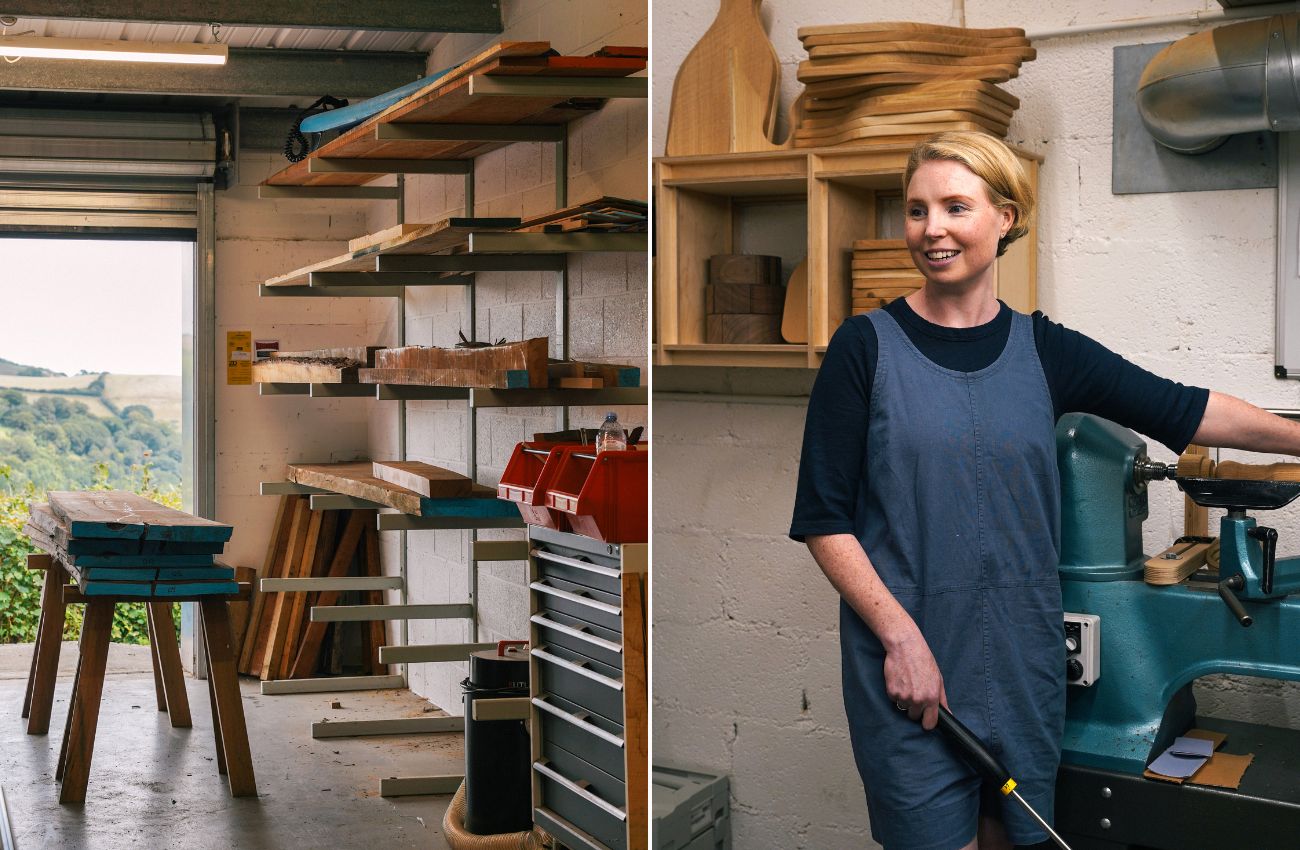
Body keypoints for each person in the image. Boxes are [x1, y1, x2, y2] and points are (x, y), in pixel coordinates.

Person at [789, 130, 1300, 850]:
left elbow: (1186, 408)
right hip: (910, 669)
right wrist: (900, 639)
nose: (931, 228)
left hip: (1023, 667)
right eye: (915, 210)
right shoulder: (864, 348)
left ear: (1005, 217)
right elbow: (823, 518)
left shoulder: (1045, 349)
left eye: (955, 207)